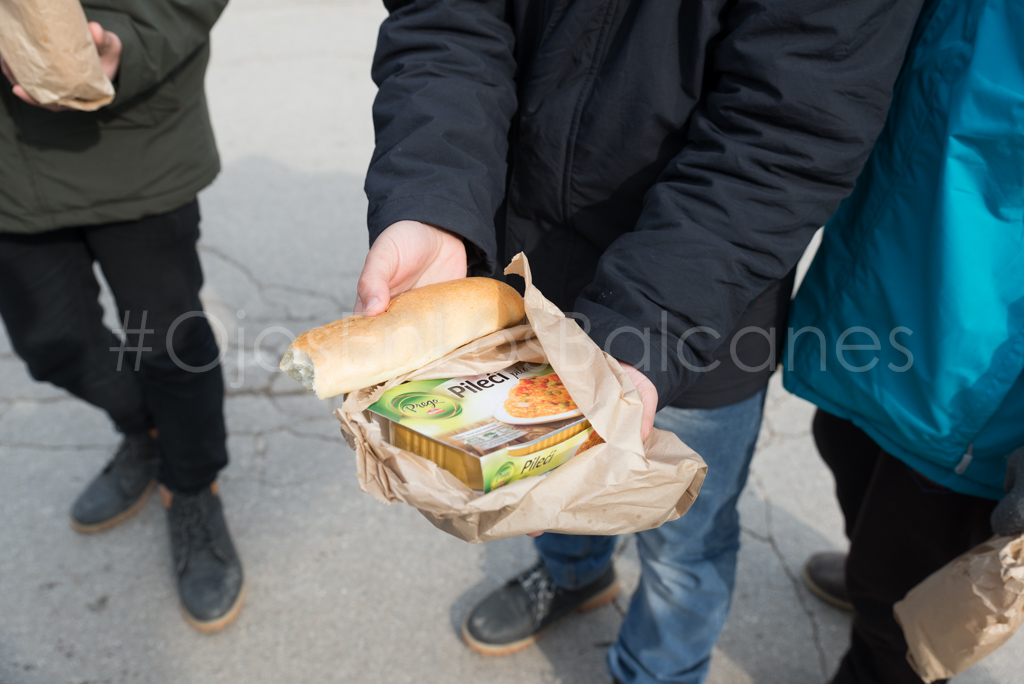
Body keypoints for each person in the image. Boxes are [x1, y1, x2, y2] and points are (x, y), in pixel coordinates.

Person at [354, 0, 928, 682]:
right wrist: (433, 199)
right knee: (549, 480)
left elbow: (788, 130)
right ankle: (573, 575)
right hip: (523, 268)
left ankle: (657, 672)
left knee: (685, 544)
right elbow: (449, 18)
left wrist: (645, 329)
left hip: (697, 315)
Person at [784, 0, 1024, 680]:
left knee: (906, 605)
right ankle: (874, 581)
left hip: (979, 396)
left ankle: (886, 631)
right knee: (845, 454)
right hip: (879, 303)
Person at [0, 0, 244, 633]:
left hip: (133, 135)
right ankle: (149, 431)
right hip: (8, 172)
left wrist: (129, 43)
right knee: (53, 343)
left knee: (169, 341)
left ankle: (190, 487)